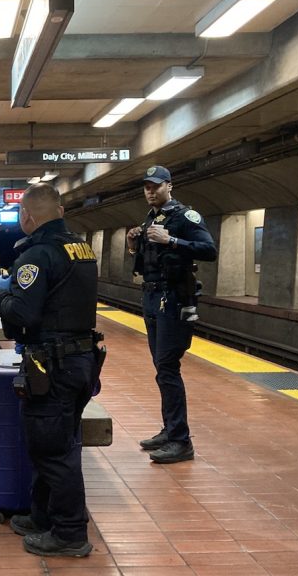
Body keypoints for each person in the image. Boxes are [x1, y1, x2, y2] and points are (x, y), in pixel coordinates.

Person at [0, 183, 101, 558]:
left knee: (54, 452)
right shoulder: (82, 248)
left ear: (28, 216)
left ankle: (69, 533)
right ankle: (43, 517)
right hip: (80, 361)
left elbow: (22, 317)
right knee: (53, 444)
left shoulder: (37, 255)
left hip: (52, 365)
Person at [127, 166, 217, 464]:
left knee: (167, 367)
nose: (150, 191)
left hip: (173, 299)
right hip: (152, 297)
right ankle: (170, 430)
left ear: (169, 185)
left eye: (155, 186)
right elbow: (148, 259)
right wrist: (133, 245)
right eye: (146, 187)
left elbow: (208, 249)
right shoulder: (152, 217)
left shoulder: (185, 216)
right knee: (161, 368)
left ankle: (181, 441)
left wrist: (173, 241)